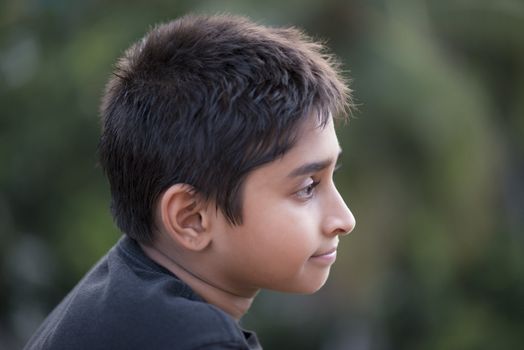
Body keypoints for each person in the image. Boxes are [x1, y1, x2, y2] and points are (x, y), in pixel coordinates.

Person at [24, 13, 356, 350]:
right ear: (191, 218)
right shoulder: (196, 342)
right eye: (307, 187)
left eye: (332, 176)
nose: (344, 220)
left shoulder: (114, 296)